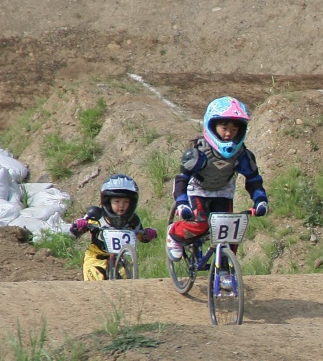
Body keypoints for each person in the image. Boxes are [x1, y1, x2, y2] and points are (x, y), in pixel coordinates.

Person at [166, 96, 269, 261]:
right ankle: (174, 234)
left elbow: (253, 180)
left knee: (231, 231)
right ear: (212, 126)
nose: (229, 134)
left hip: (223, 192)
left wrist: (261, 201)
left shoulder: (242, 155)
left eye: (235, 130)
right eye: (224, 127)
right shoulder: (198, 154)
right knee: (200, 223)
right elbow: (182, 180)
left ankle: (226, 272)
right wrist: (182, 204)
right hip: (198, 190)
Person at [70, 174, 157, 281]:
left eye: (126, 202)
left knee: (127, 285)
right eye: (117, 202)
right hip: (96, 258)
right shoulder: (96, 215)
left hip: (120, 260)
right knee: (94, 282)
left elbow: (140, 236)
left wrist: (147, 235)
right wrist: (80, 225)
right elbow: (75, 231)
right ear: (107, 201)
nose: (121, 205)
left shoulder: (133, 220)